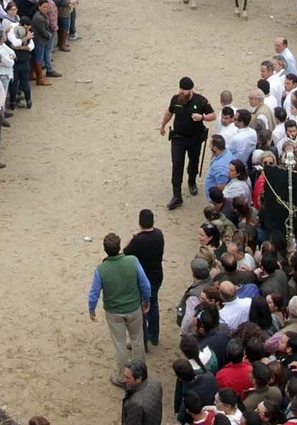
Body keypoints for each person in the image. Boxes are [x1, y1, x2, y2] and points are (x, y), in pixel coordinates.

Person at [89, 233, 153, 381]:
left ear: (105, 249)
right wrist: (146, 300)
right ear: (119, 247)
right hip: (133, 308)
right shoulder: (132, 261)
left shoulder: (101, 269)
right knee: (137, 340)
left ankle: (123, 378)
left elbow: (94, 293)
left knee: (120, 344)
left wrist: (91, 310)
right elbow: (145, 284)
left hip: (114, 312)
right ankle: (140, 374)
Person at [160, 77, 215, 210]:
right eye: (181, 89)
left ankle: (192, 181)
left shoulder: (200, 100)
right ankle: (177, 195)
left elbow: (213, 115)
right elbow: (169, 112)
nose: (182, 93)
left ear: (191, 90)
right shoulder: (176, 99)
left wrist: (202, 117)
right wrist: (163, 125)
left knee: (193, 161)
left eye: (185, 90)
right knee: (177, 165)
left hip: (194, 139)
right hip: (178, 139)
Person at [126, 210, 167, 348]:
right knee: (153, 304)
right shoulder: (159, 234)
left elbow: (125, 252)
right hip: (157, 275)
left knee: (141, 309)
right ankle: (153, 336)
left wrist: (133, 237)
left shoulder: (138, 240)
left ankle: (142, 341)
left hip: (143, 278)